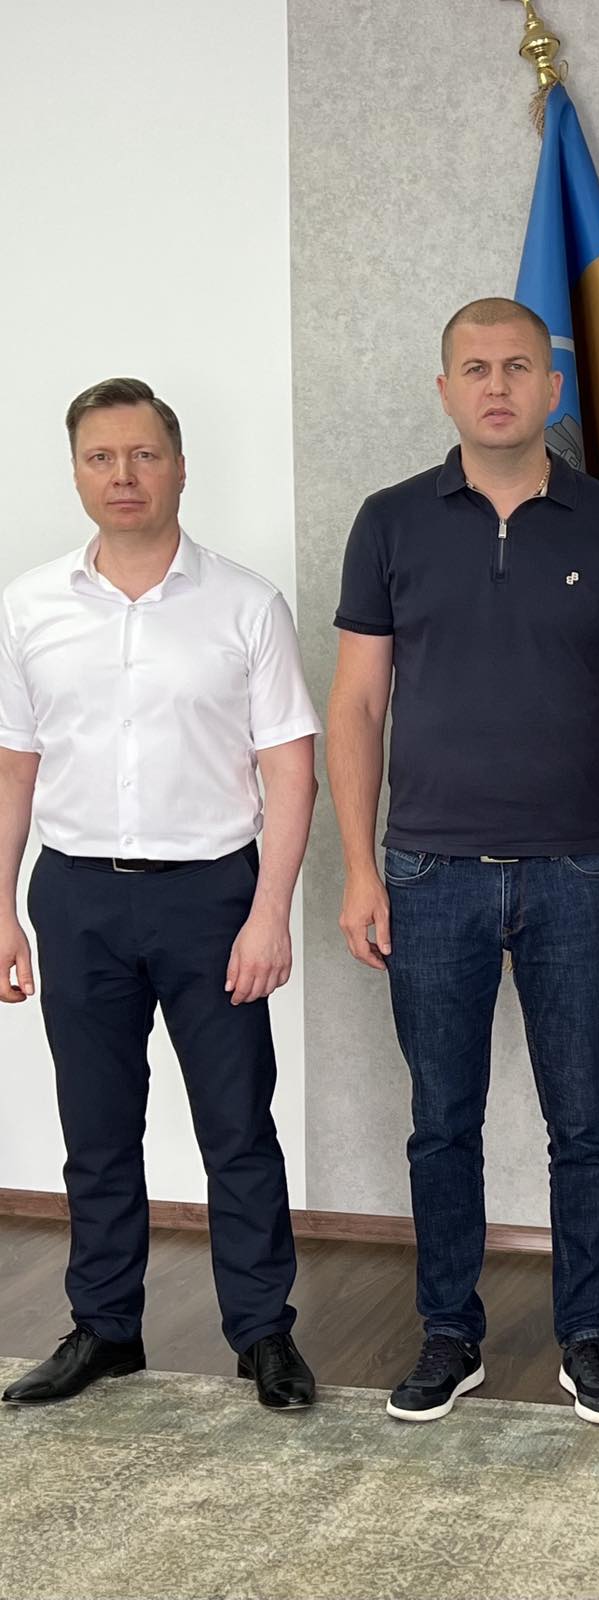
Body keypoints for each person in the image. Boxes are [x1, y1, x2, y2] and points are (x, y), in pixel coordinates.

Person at [327, 298, 599, 1427]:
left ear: (551, 388)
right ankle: (448, 1335)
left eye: (517, 366)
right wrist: (360, 869)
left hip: (577, 872)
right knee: (441, 1121)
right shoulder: (388, 522)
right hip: (427, 874)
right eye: (473, 368)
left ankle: (588, 1338)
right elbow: (357, 704)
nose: (497, 385)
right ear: (445, 391)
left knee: (586, 1124)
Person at [0, 378, 321, 1410]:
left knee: (238, 1127)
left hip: (213, 899)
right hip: (77, 896)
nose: (124, 475)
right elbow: (13, 767)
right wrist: (1, 907)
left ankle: (263, 1334)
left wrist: (270, 911)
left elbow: (291, 767)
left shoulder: (245, 604)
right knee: (97, 1128)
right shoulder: (29, 606)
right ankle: (105, 1329)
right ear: (77, 473)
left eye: (143, 455)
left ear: (180, 467)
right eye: (101, 457)